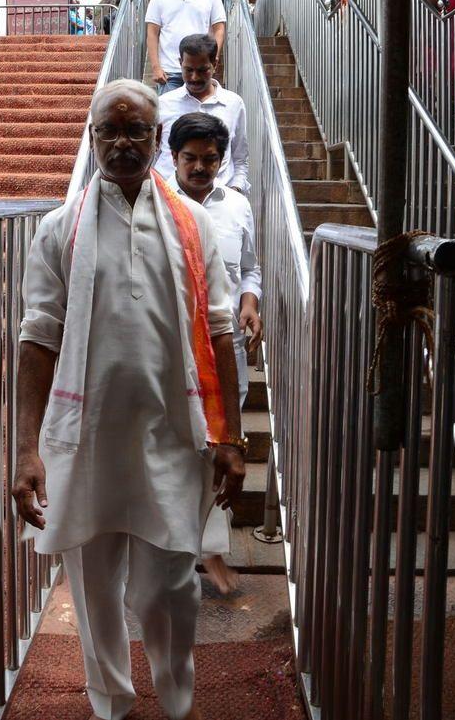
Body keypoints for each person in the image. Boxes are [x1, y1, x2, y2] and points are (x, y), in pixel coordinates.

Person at [13, 79, 246, 720]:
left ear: (154, 140)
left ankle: (175, 699)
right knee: (92, 588)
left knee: (168, 588)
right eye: (108, 131)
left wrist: (228, 435)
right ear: (91, 139)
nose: (121, 142)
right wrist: (26, 448)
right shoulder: (60, 230)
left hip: (173, 432)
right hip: (86, 436)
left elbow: (221, 330)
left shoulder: (195, 224)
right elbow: (37, 339)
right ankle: (110, 702)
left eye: (135, 131)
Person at [168, 112, 262, 594]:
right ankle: (187, 552)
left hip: (226, 355)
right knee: (178, 454)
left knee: (220, 451)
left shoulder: (238, 206)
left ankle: (209, 552)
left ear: (222, 161)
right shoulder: (158, 207)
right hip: (172, 354)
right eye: (190, 159)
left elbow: (250, 270)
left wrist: (250, 302)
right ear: (173, 158)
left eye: (210, 159)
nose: (200, 168)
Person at [153, 33, 249, 193]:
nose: (194, 77)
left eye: (202, 70)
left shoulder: (233, 104)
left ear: (215, 64)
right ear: (180, 63)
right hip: (170, 202)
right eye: (188, 70)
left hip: (219, 202)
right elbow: (152, 156)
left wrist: (235, 189)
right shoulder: (163, 104)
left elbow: (240, 158)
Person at [146, 0, 226, 96]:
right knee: (170, 118)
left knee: (201, 115)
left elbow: (219, 29)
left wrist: (214, 58)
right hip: (170, 73)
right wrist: (156, 67)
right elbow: (152, 33)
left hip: (200, 69)